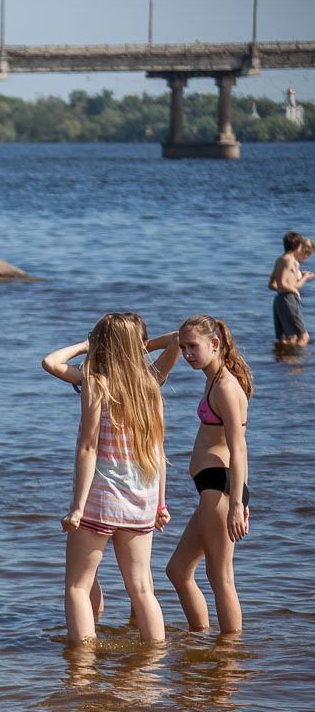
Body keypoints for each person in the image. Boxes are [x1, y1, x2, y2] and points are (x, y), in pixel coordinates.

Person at [41, 314, 180, 620]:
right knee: (143, 590)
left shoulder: (95, 382)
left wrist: (85, 346)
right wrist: (160, 504)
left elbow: (50, 362)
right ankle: (152, 663)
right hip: (142, 501)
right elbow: (178, 338)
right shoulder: (151, 382)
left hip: (102, 500)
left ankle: (82, 666)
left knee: (77, 587)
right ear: (137, 346)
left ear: (101, 344)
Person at [166, 315, 252, 634]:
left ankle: (228, 658)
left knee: (221, 577)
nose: (186, 353)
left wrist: (236, 504)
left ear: (214, 344)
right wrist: (172, 338)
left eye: (193, 347)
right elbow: (168, 341)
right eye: (183, 346)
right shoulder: (212, 376)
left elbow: (239, 449)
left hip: (221, 487)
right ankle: (200, 638)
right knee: (178, 570)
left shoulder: (226, 386)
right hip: (211, 488)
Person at [268, 231, 313, 346]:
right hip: (289, 300)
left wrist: (296, 278)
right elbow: (283, 284)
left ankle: (284, 360)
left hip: (279, 300)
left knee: (288, 338)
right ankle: (301, 363)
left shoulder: (280, 259)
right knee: (304, 336)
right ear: (298, 246)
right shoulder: (290, 260)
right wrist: (303, 281)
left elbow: (272, 284)